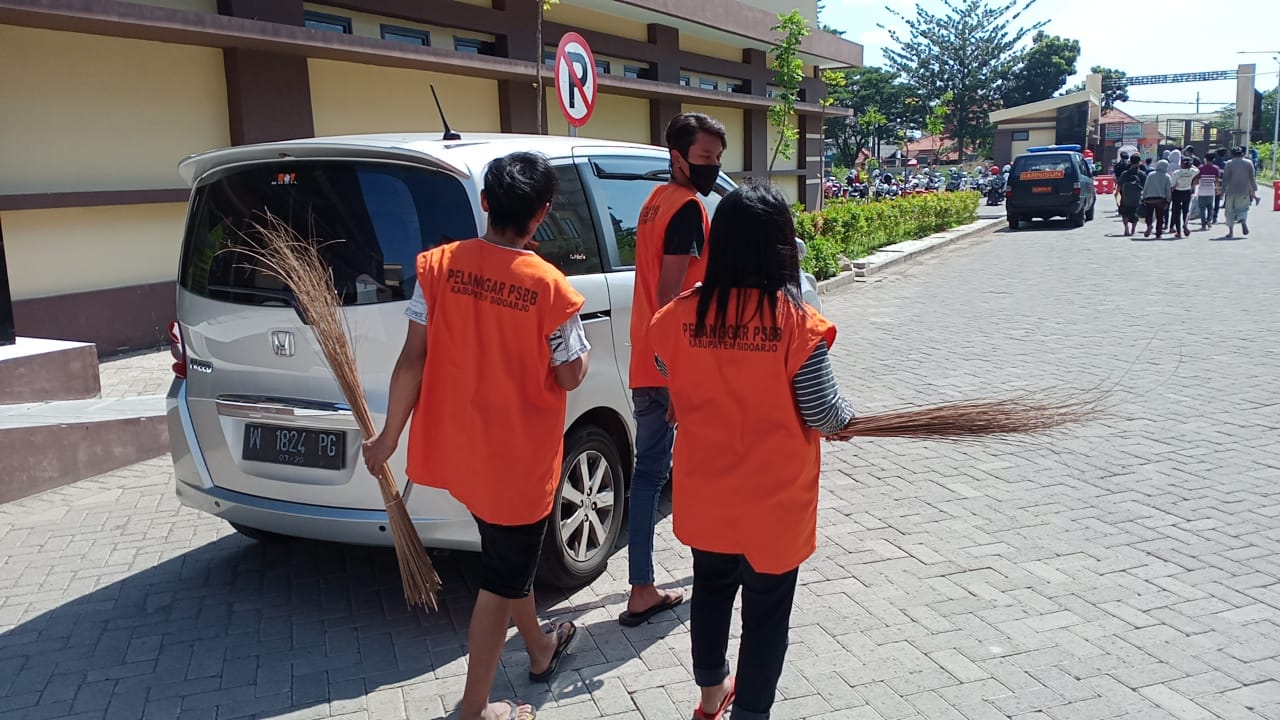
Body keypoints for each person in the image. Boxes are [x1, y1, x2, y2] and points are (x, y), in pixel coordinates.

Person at [363, 152, 590, 720]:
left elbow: (412, 358)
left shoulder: (438, 267)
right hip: (517, 462)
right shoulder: (549, 287)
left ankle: (539, 648)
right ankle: (473, 709)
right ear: (541, 215)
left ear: (485, 202)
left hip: (463, 451)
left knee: (506, 561)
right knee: (500, 578)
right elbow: (568, 374)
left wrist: (389, 436)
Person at [648, 181, 856, 720]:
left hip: (706, 496)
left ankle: (711, 697)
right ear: (780, 247)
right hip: (772, 506)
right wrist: (847, 422)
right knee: (766, 617)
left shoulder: (676, 318)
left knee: (711, 595)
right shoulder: (794, 325)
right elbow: (824, 414)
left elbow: (671, 375)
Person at [622, 112, 727, 627]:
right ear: (678, 157)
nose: (712, 166)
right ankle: (652, 584)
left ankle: (642, 583)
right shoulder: (686, 208)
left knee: (648, 475)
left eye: (717, 158)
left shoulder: (653, 203)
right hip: (670, 367)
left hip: (648, 358)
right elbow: (669, 295)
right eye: (705, 157)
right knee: (676, 472)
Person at [1222, 146, 1259, 238]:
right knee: (1243, 208)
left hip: (1231, 191)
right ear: (1242, 153)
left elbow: (1225, 178)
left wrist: (1222, 191)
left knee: (1229, 211)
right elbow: (1252, 178)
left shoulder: (1229, 164)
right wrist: (1254, 189)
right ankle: (1242, 221)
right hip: (1244, 191)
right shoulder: (1249, 163)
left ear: (1232, 154)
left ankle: (1231, 232)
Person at [1141, 159, 1173, 238]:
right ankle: (1158, 233)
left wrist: (1143, 197)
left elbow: (1146, 187)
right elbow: (1168, 190)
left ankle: (1149, 225)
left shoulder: (1151, 175)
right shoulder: (1167, 177)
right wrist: (1168, 201)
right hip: (1160, 200)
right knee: (1160, 217)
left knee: (1149, 215)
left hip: (1149, 199)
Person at [1118, 154, 1146, 237]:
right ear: (1139, 162)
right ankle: (1133, 229)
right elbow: (1145, 187)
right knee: (1135, 214)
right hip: (1136, 198)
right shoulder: (1142, 174)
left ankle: (1126, 227)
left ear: (1130, 162)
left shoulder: (1125, 173)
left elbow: (1119, 186)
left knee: (1124, 213)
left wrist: (1117, 197)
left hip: (1125, 197)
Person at [1169, 156, 1197, 238]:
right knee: (1185, 211)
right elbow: (1197, 170)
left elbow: (1172, 184)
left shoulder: (1176, 172)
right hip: (1187, 192)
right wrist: (1191, 166)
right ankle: (1185, 224)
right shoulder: (1192, 171)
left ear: (1181, 164)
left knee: (1176, 212)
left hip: (1177, 192)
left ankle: (1178, 231)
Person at [1192, 157, 1219, 230]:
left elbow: (1197, 180)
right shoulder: (1216, 168)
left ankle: (1203, 223)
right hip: (1211, 190)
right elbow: (1216, 180)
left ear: (1205, 160)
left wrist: (1192, 187)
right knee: (1210, 207)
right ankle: (1209, 221)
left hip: (1202, 190)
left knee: (1202, 208)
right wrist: (1217, 189)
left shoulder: (1200, 168)